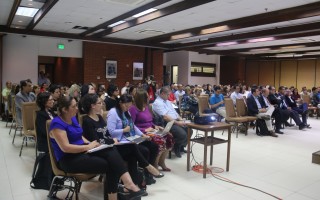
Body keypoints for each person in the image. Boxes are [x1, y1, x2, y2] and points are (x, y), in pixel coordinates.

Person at [49, 95, 145, 200]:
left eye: (76, 105)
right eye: (74, 106)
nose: (77, 108)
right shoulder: (57, 124)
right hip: (68, 159)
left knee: (109, 149)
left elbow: (79, 135)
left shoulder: (72, 118)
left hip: (81, 153)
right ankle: (125, 187)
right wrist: (88, 147)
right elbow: (65, 148)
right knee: (111, 163)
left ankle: (126, 186)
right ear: (64, 109)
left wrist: (91, 144)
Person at [81, 94, 163, 188]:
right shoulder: (87, 120)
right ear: (92, 106)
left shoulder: (99, 117)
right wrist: (112, 140)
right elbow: (96, 140)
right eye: (100, 103)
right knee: (133, 148)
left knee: (132, 154)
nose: (102, 104)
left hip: (109, 145)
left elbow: (107, 134)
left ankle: (134, 185)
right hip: (101, 149)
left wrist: (112, 140)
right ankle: (147, 167)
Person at [107, 94, 159, 184]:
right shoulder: (113, 112)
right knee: (142, 151)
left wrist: (142, 135)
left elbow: (133, 126)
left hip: (130, 138)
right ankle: (146, 170)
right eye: (126, 105)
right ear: (120, 103)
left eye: (129, 106)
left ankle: (146, 175)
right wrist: (123, 130)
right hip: (120, 141)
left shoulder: (126, 112)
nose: (127, 108)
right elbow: (110, 132)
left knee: (153, 146)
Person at [129, 89, 173, 171]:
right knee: (160, 141)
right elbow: (131, 125)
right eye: (147, 97)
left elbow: (150, 121)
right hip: (141, 133)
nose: (149, 98)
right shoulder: (133, 109)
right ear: (142, 98)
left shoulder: (146, 107)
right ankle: (154, 164)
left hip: (151, 130)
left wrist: (155, 126)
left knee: (169, 136)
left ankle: (161, 162)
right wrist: (144, 130)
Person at [152, 87, 189, 158]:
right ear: (162, 94)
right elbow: (165, 117)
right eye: (168, 95)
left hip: (175, 120)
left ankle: (181, 146)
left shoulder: (167, 101)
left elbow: (174, 113)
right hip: (167, 123)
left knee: (190, 130)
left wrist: (181, 119)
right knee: (182, 134)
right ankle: (176, 147)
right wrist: (178, 123)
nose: (169, 96)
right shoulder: (157, 103)